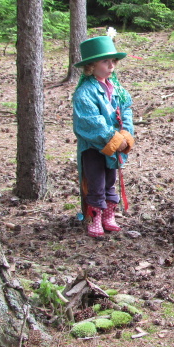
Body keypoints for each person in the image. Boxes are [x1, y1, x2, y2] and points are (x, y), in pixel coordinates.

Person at [72, 36, 135, 238]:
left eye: (113, 61)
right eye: (105, 61)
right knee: (96, 182)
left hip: (114, 146)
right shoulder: (84, 93)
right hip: (93, 148)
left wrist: (126, 134)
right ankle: (95, 218)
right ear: (91, 66)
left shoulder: (117, 89)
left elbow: (126, 110)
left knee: (110, 180)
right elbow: (90, 121)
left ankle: (109, 215)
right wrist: (113, 138)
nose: (111, 66)